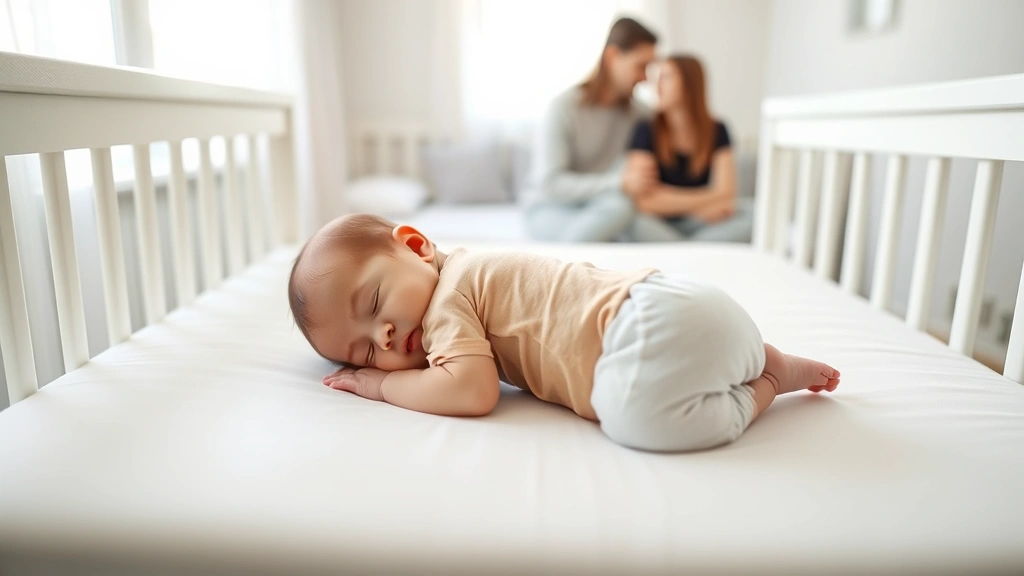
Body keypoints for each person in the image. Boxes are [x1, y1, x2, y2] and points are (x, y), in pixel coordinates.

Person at [289, 214, 841, 452]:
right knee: (637, 399)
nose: (383, 337)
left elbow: (472, 390)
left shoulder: (446, 300)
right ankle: (766, 358)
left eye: (375, 303)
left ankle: (763, 381)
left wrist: (380, 386)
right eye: (364, 350)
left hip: (645, 332)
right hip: (682, 304)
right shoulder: (469, 270)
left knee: (630, 418)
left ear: (416, 247)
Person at [523, 17, 657, 242]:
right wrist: (620, 182)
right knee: (622, 210)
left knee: (631, 217)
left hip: (603, 207)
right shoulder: (564, 108)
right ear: (613, 56)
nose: (645, 78)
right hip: (550, 208)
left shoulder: (641, 115)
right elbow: (551, 184)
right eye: (641, 66)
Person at [622, 55, 754, 243]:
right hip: (659, 224)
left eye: (666, 77)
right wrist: (703, 203)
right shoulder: (646, 130)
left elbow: (727, 194)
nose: (657, 86)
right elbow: (644, 202)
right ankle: (696, 250)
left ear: (689, 84)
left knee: (754, 213)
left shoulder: (718, 130)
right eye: (656, 78)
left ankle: (685, 250)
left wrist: (667, 196)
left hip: (702, 222)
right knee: (631, 220)